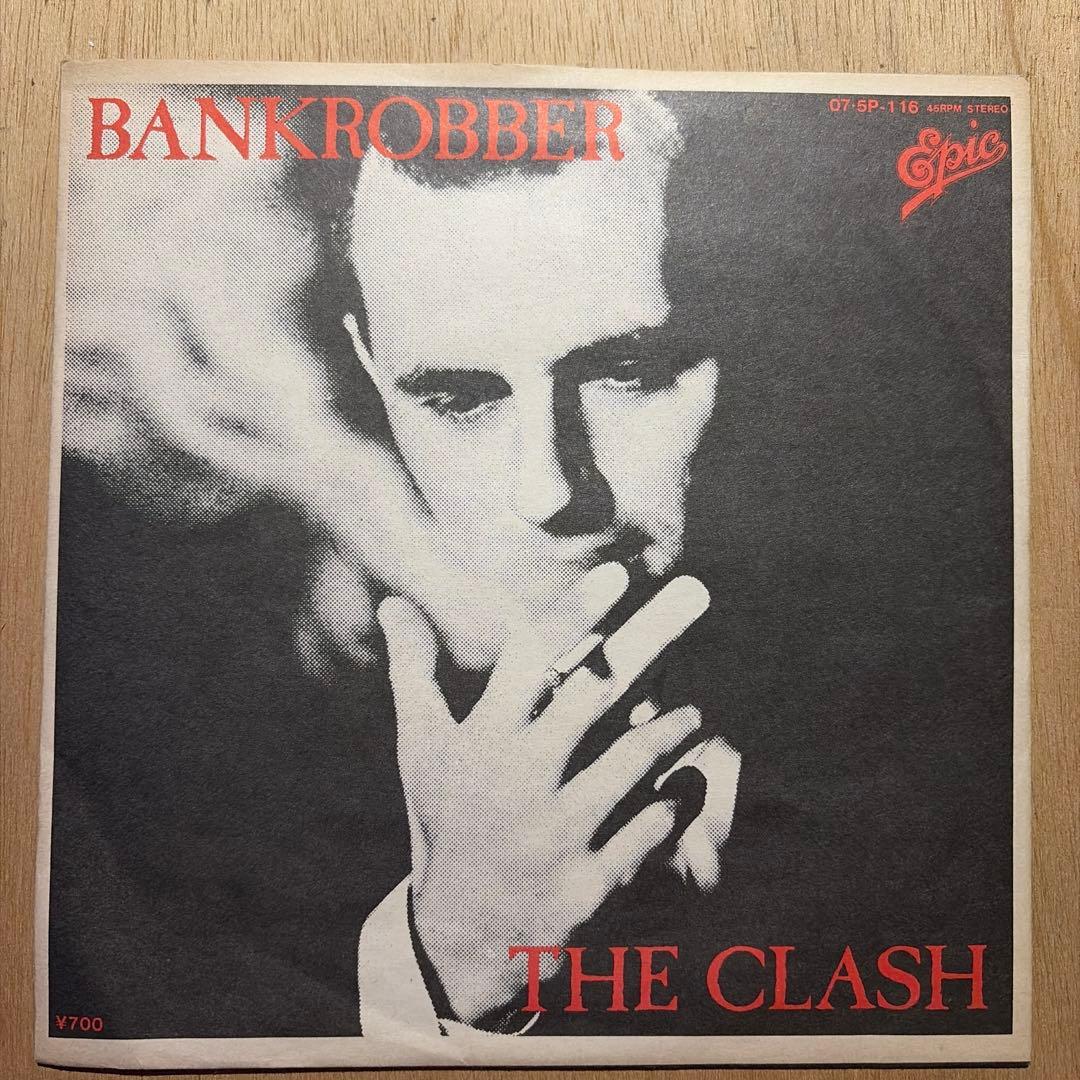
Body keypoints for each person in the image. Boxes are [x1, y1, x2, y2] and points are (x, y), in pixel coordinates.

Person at [338, 92, 741, 1035]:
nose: (549, 490)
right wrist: (451, 965)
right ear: (371, 377)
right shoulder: (231, 791)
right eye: (456, 399)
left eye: (627, 373)